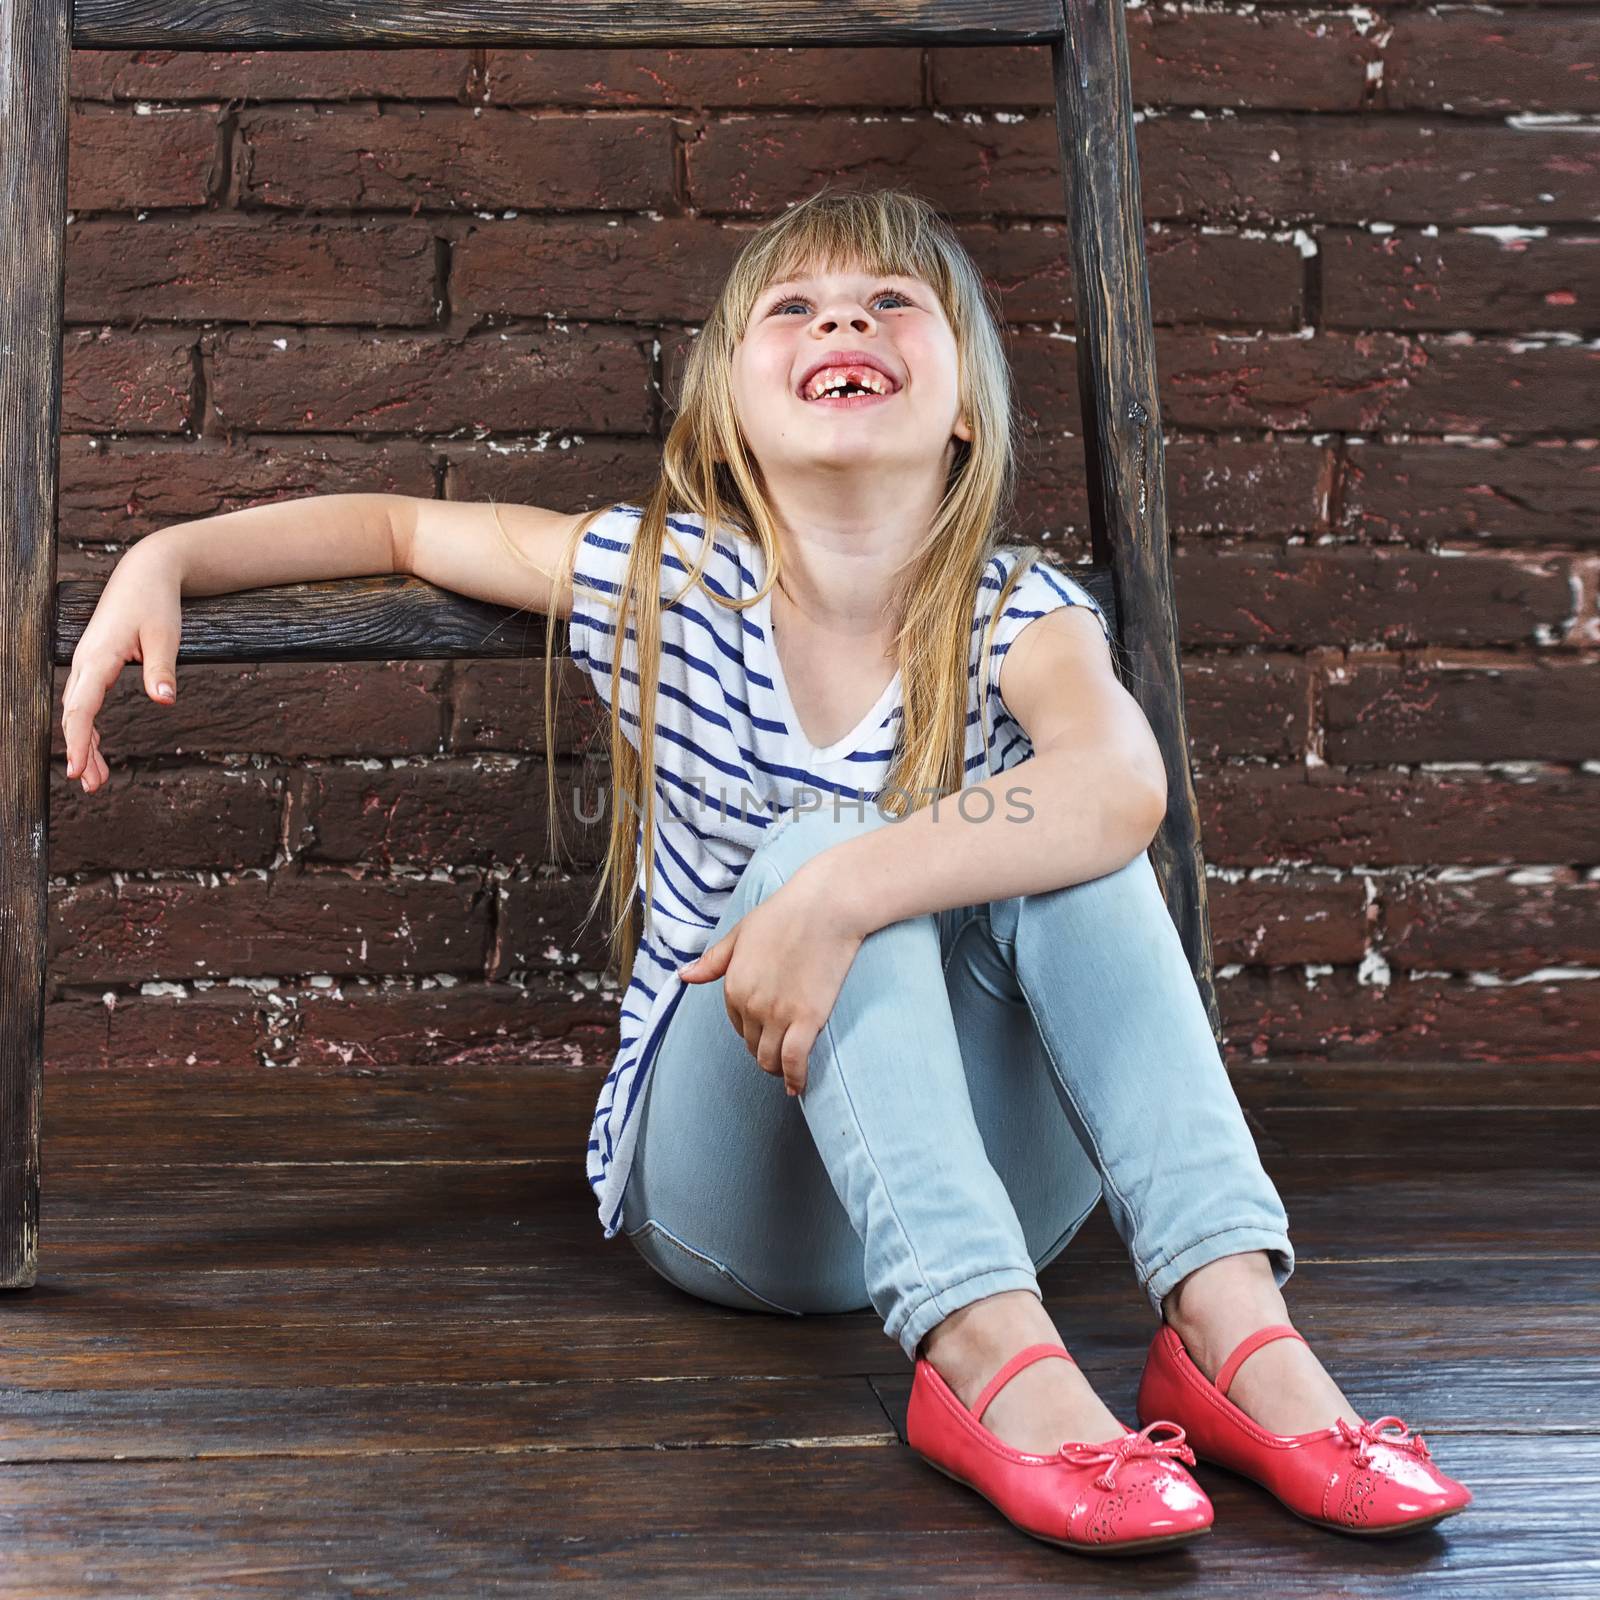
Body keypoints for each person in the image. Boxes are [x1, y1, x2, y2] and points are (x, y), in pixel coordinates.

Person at [62, 184, 1471, 1558]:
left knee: (1072, 854)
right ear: (733, 412)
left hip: (989, 1183)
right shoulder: (671, 582)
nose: (838, 320)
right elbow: (391, 528)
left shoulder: (1020, 612)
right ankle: (992, 1366)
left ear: (966, 401)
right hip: (737, 1197)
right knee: (819, 833)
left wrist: (842, 893)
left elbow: (1119, 784)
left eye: (887, 302)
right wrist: (171, 552)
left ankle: (1235, 1334)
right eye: (791, 306)